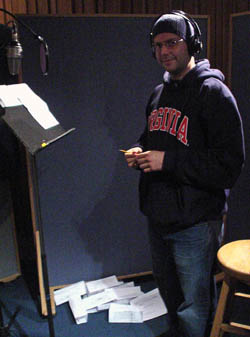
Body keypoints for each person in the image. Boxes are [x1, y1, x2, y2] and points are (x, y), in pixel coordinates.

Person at [124, 10, 245, 337]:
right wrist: (140, 149)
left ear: (191, 44)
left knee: (194, 305)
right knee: (170, 294)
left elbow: (229, 165)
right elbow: (153, 138)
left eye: (172, 43)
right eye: (158, 45)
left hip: (195, 221)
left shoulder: (214, 94)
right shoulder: (157, 94)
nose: (164, 51)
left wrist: (168, 161)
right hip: (158, 214)